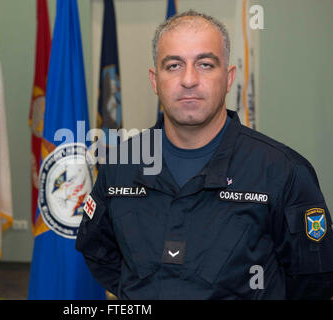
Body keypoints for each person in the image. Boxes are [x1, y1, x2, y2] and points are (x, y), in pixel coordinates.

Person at [76, 10, 333, 299]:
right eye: (173, 65)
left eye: (205, 64)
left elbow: (313, 280)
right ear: (154, 80)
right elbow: (100, 253)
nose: (189, 79)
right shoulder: (120, 164)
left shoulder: (282, 171)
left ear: (228, 77)